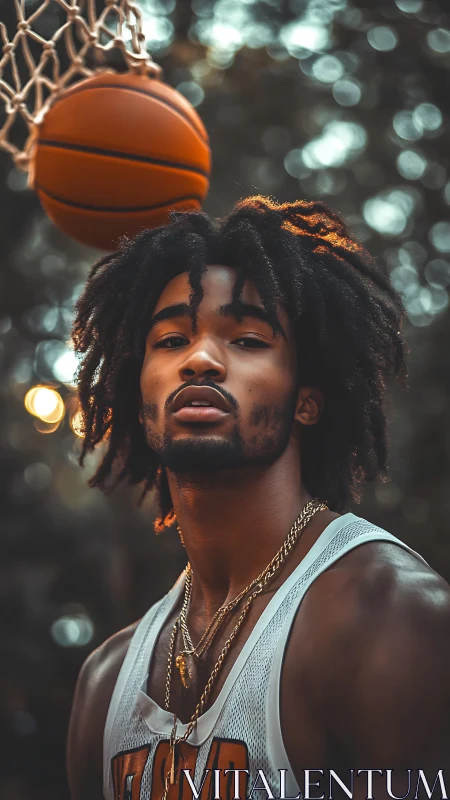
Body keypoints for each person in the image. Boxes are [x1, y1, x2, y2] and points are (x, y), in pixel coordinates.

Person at [67, 196, 450, 800]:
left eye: (246, 339)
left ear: (306, 399)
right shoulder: (105, 682)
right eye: (169, 341)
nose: (199, 360)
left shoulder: (388, 617)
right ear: (136, 394)